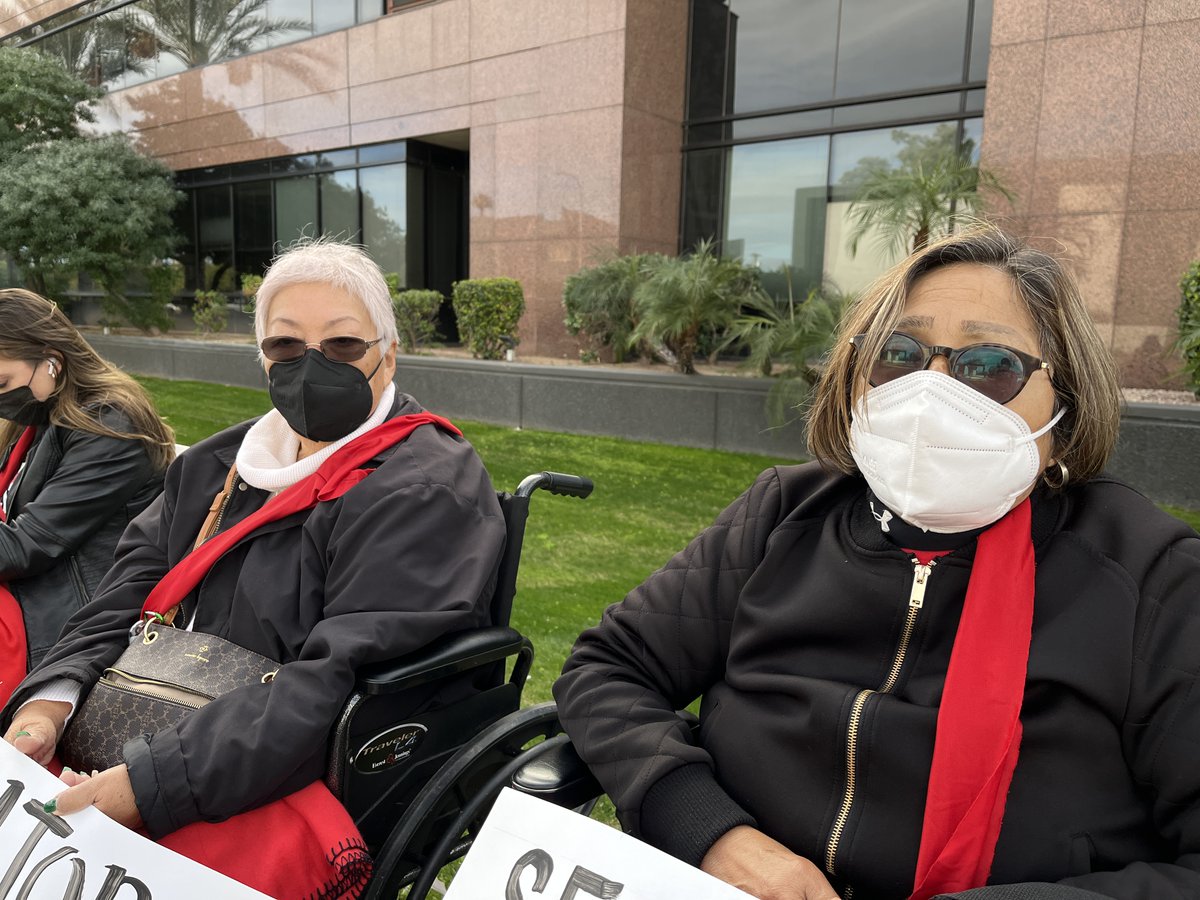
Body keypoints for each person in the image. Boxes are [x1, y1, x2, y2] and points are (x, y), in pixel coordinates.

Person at [554, 225, 1200, 900]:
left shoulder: (1153, 580)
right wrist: (712, 833)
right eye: (898, 353)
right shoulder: (785, 514)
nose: (931, 389)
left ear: (1064, 406)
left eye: (988, 365)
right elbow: (609, 669)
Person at [1, 240, 506, 899]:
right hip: (147, 723)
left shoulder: (421, 487)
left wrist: (142, 788)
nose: (312, 366)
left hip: (288, 761)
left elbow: (332, 679)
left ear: (390, 352)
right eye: (286, 347)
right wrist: (47, 705)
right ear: (262, 354)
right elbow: (121, 594)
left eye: (344, 345)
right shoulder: (215, 464)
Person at [0, 289, 172, 705]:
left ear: (52, 360)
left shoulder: (109, 426)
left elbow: (26, 547)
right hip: (39, 596)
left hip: (75, 623)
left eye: (1, 382)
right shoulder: (44, 417)